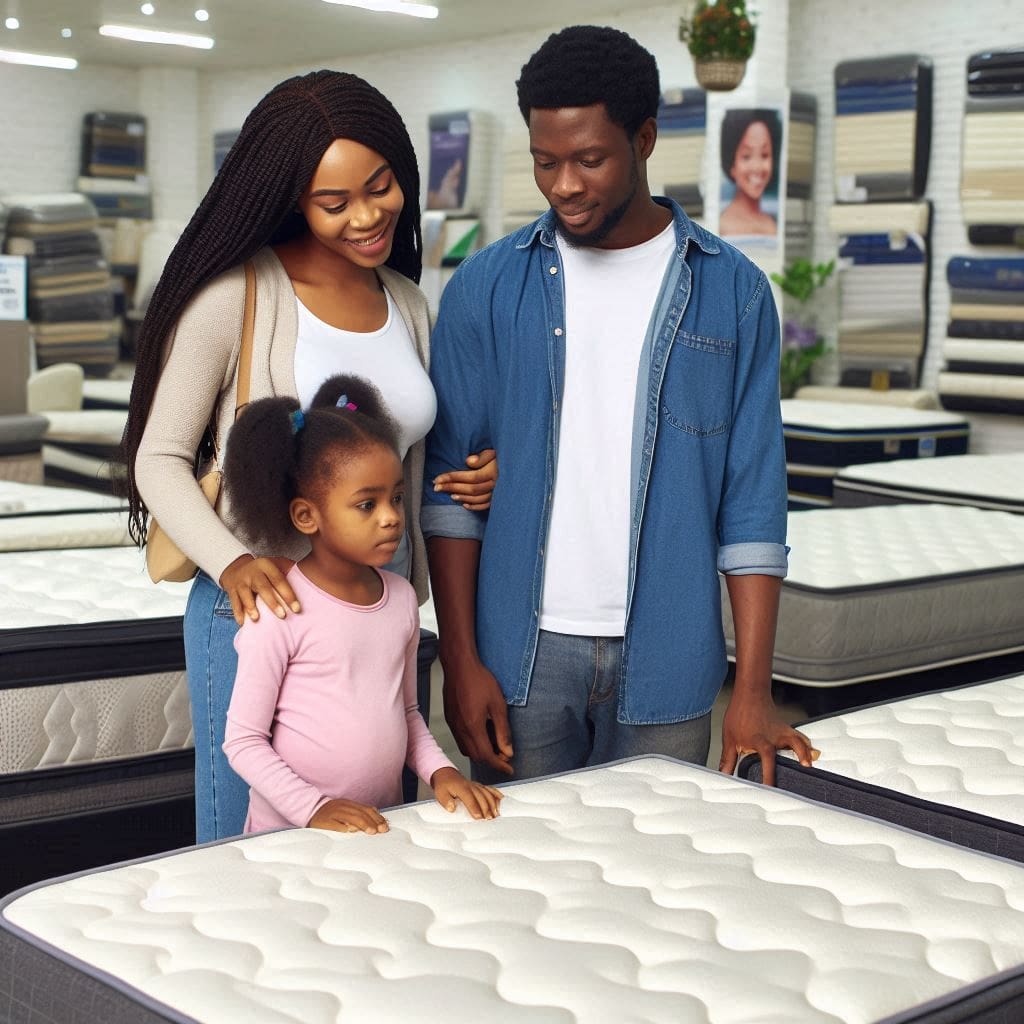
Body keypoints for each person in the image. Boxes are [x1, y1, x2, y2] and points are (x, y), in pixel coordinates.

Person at [423, 26, 816, 789]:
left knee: (651, 886)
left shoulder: (732, 292)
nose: (564, 184)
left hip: (670, 660)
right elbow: (449, 497)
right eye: (545, 162)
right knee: (508, 887)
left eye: (589, 159)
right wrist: (462, 660)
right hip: (518, 662)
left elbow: (753, 504)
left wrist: (754, 689)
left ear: (644, 138)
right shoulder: (484, 289)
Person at [123, 71, 497, 843]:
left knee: (373, 831)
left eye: (381, 186)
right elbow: (157, 459)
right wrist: (230, 563)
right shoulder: (236, 297)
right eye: (334, 204)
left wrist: (473, 478)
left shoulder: (407, 301)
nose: (366, 215)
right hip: (260, 605)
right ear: (293, 197)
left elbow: (404, 449)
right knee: (241, 846)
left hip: (379, 602)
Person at [221, 375, 502, 834]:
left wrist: (442, 771)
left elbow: (407, 715)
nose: (391, 517)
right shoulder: (279, 609)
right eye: (366, 505)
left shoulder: (402, 600)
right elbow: (244, 741)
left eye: (394, 497)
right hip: (291, 839)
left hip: (376, 830)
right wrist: (314, 809)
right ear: (307, 516)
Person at [718, 109, 782, 238]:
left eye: (764, 155)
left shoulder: (772, 225)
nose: (757, 167)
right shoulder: (722, 227)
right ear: (732, 164)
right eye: (746, 156)